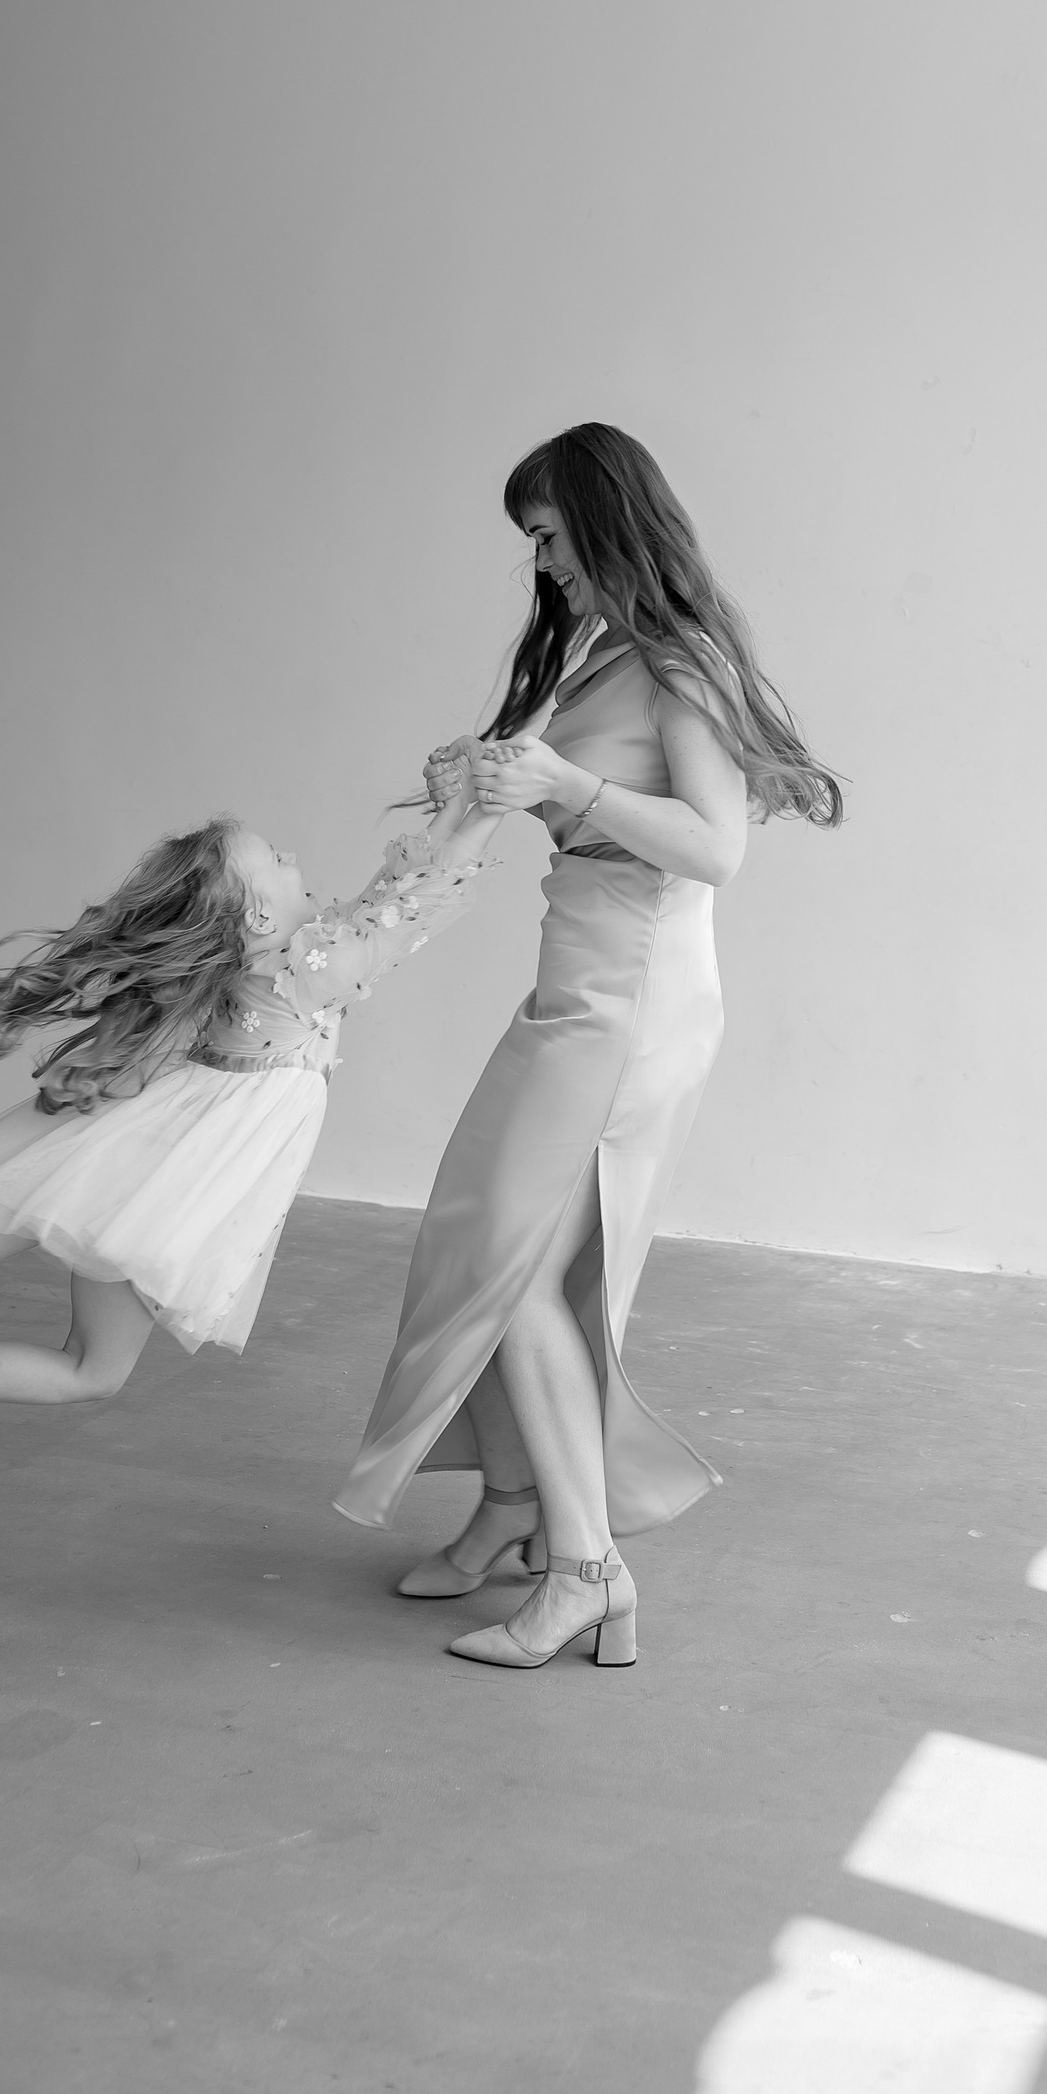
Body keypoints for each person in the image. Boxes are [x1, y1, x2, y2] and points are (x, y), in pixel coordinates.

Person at [335, 421, 841, 1673]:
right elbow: (584, 802)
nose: (543, 561)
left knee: (514, 1271)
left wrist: (563, 784)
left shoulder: (681, 663)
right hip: (579, 995)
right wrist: (495, 777)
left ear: (608, 521)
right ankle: (513, 1509)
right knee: (490, 1252)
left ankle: (586, 1569)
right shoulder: (609, 650)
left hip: (631, 1008)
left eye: (551, 533)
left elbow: (716, 848)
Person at [0, 777, 497, 1481]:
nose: (296, 861)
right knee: (90, 1369)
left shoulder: (279, 963)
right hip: (162, 1183)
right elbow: (402, 913)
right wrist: (489, 808)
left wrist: (463, 800)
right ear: (258, 913)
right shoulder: (304, 975)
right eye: (277, 859)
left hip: (124, 1143)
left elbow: (386, 902)